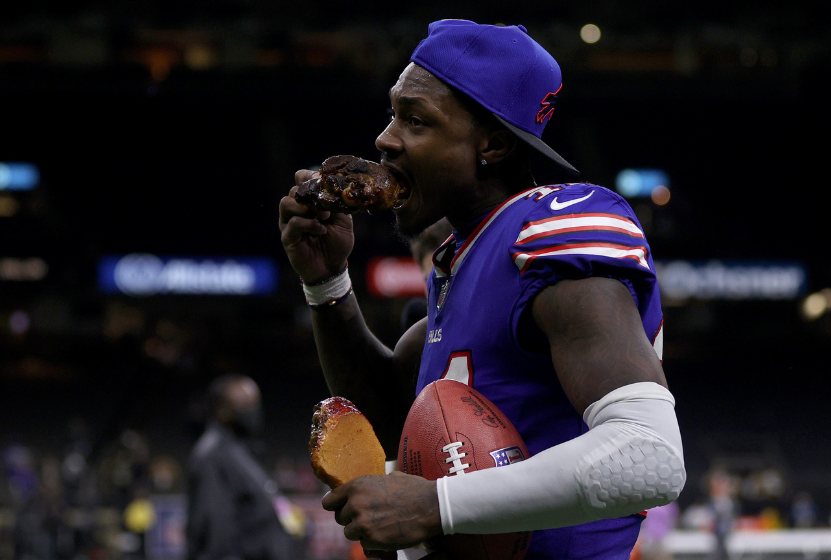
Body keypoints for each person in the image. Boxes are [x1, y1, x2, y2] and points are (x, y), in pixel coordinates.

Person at [279, 20, 685, 559]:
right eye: (393, 113)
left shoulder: (553, 228)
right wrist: (326, 281)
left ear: (491, 144)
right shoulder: (463, 259)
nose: (385, 139)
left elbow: (650, 456)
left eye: (416, 120)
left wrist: (434, 506)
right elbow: (387, 408)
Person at [186, 374, 295, 560]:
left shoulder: (238, 451)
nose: (253, 411)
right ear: (222, 409)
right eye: (245, 405)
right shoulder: (213, 455)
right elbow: (215, 536)